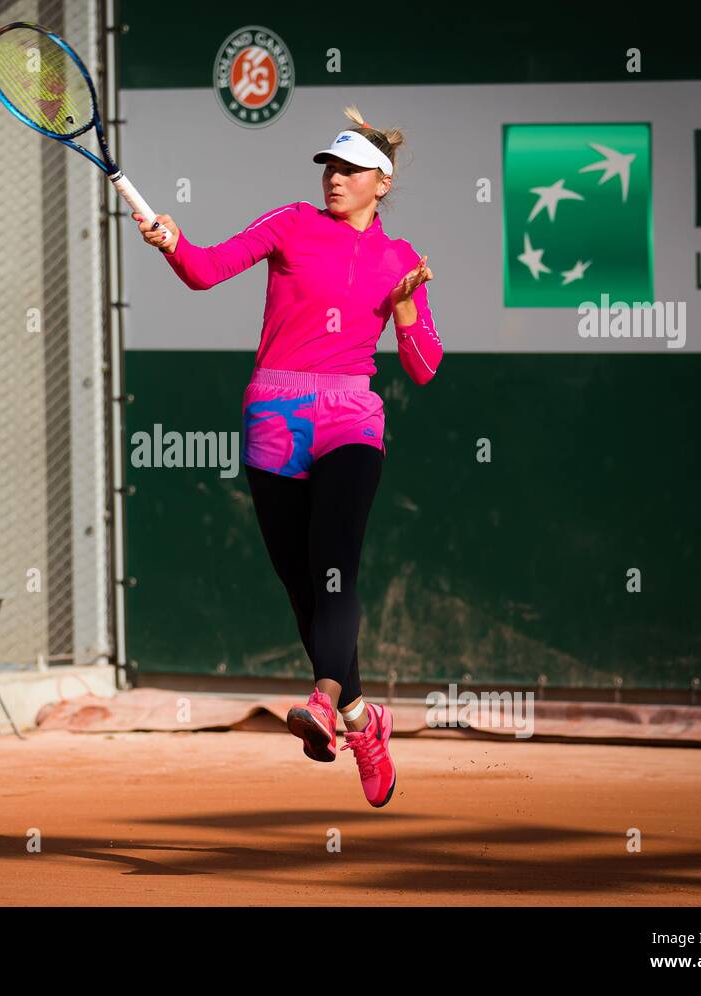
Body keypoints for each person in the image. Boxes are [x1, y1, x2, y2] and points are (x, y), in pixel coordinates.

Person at [133, 106, 442, 807]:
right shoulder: (292, 222)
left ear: (381, 184)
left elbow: (424, 367)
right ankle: (365, 721)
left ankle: (328, 700)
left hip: (349, 419)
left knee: (335, 564)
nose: (334, 179)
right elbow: (207, 271)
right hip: (274, 415)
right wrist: (172, 240)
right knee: (304, 588)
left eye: (350, 170)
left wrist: (401, 312)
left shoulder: (400, 259)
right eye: (329, 167)